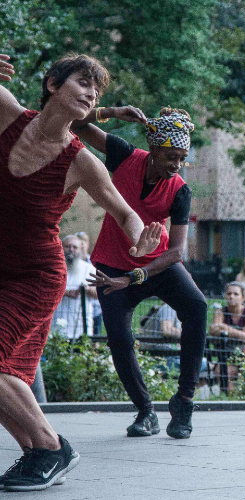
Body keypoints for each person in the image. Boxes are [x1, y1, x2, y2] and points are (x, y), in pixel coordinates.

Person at [0, 52, 160, 491]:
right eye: (83, 83)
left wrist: (139, 241)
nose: (91, 93)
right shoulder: (6, 113)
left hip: (36, 276)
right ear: (53, 84)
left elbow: (125, 212)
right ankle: (41, 452)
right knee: (6, 376)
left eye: (97, 90)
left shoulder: (81, 161)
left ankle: (50, 448)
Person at [70, 104, 208, 440]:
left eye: (181, 157)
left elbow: (176, 251)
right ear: (154, 149)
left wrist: (136, 276)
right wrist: (111, 111)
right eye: (170, 156)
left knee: (198, 307)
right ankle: (146, 411)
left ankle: (184, 401)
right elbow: (73, 122)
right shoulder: (124, 155)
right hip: (110, 266)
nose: (176, 165)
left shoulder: (180, 190)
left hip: (157, 266)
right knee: (120, 340)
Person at [50, 235, 97, 339]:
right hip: (55, 326)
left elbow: (99, 294)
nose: (71, 250)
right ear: (61, 247)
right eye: (67, 246)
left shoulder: (89, 269)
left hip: (81, 326)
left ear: (80, 249)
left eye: (74, 247)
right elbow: (47, 291)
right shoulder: (54, 268)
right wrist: (66, 293)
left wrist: (86, 290)